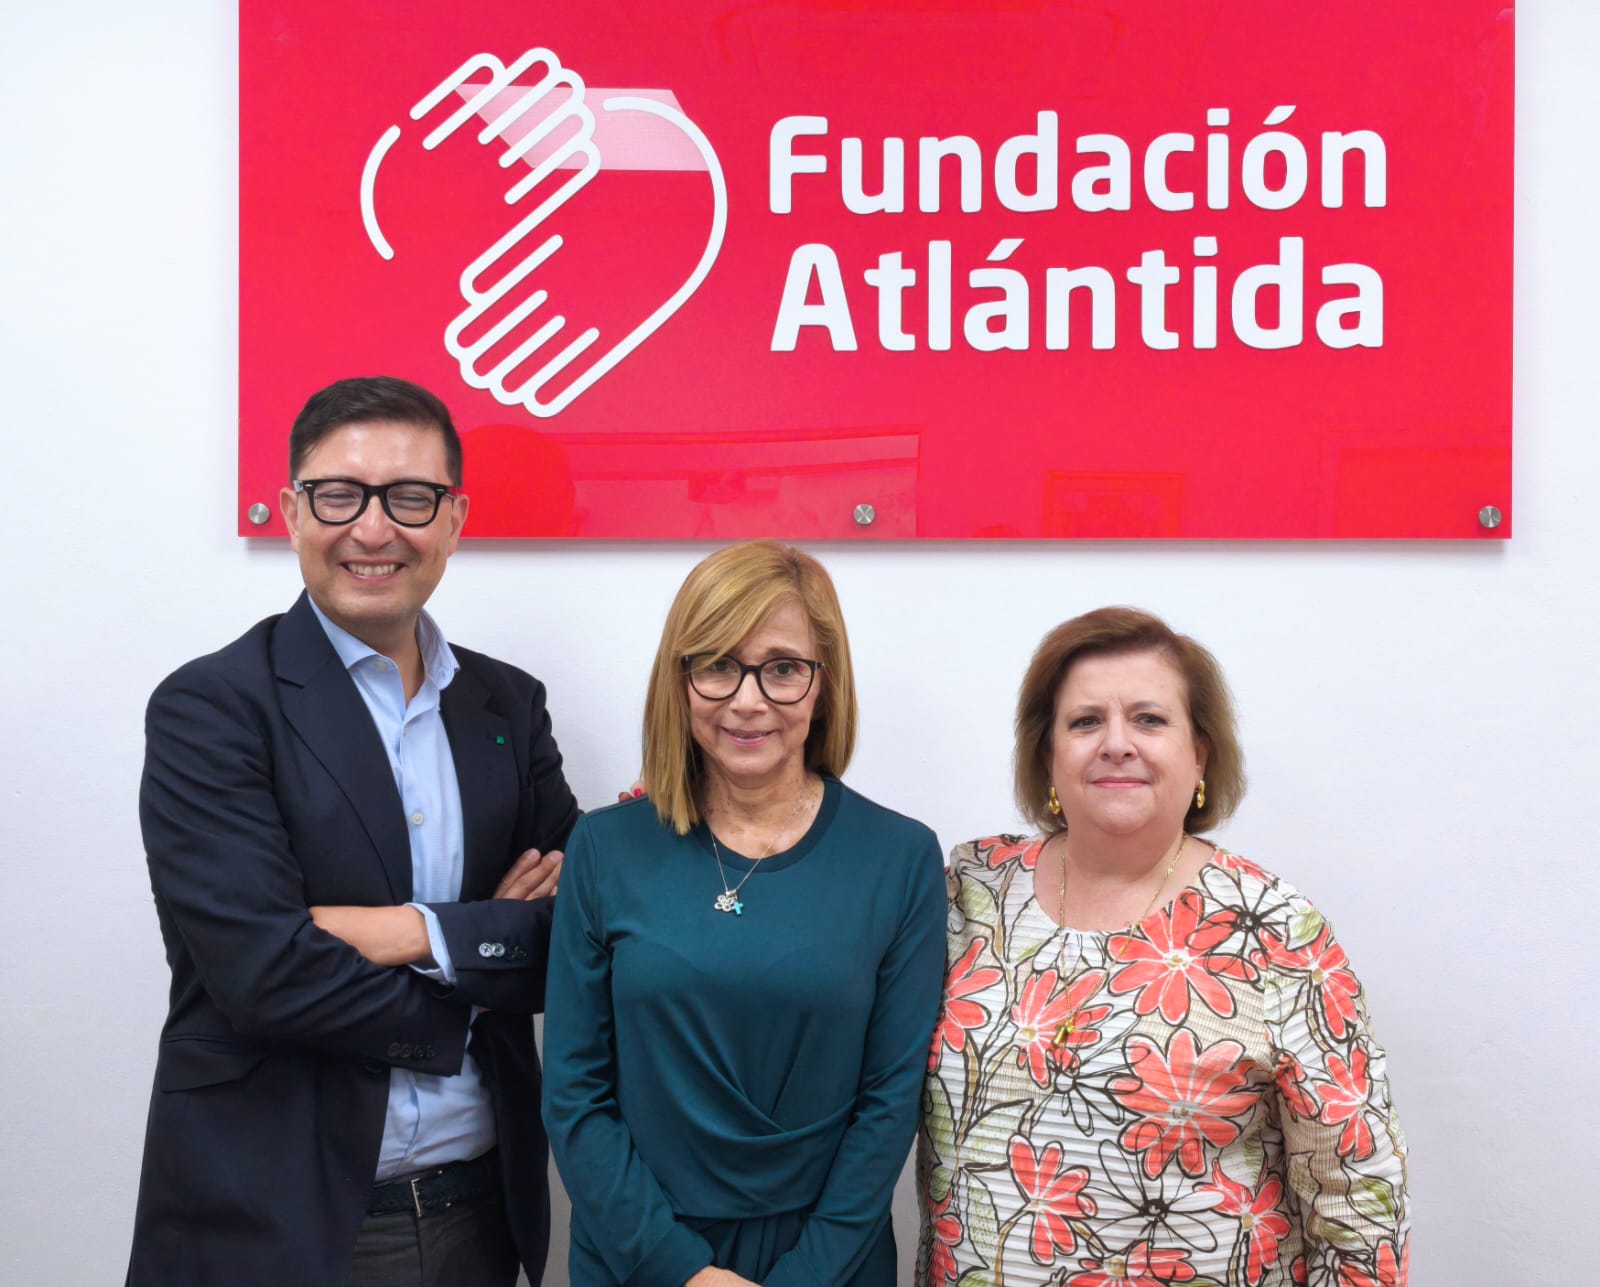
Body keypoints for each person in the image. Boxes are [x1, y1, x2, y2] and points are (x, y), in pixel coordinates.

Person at [128, 376, 580, 1287]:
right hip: (274, 1226)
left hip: (479, 1218)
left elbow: (576, 935)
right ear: (294, 510)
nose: (373, 529)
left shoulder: (506, 704)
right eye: (339, 494)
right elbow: (263, 974)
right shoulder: (212, 707)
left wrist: (412, 932)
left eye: (410, 497)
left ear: (454, 518)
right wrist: (472, 970)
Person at [919, 608, 1408, 1287]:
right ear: (1047, 754)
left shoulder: (1274, 930)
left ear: (1199, 753)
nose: (1117, 743)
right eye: (1085, 721)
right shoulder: (969, 895)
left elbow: (1356, 1195)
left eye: (1149, 719)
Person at [543, 540, 946, 1287]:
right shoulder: (603, 846)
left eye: (783, 668)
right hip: (639, 1255)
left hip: (825, 1262)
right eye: (718, 665)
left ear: (825, 682)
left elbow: (889, 1107)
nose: (748, 700)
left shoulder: (900, 857)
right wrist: (682, 1271)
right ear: (681, 680)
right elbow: (574, 1093)